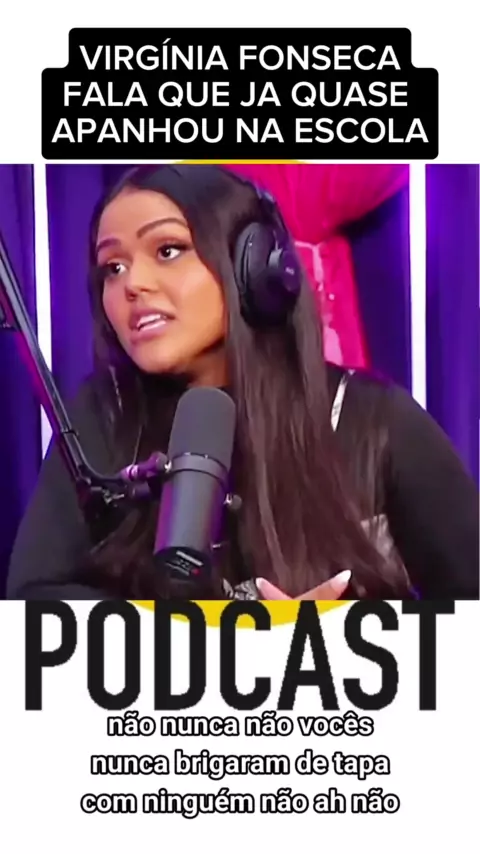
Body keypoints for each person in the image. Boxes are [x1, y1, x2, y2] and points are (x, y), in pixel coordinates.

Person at [6, 164, 479, 601]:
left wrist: (345, 637)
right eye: (113, 267)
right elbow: (34, 602)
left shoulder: (375, 421)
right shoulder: (105, 415)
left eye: (168, 251)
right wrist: (214, 642)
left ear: (254, 267)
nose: (132, 284)